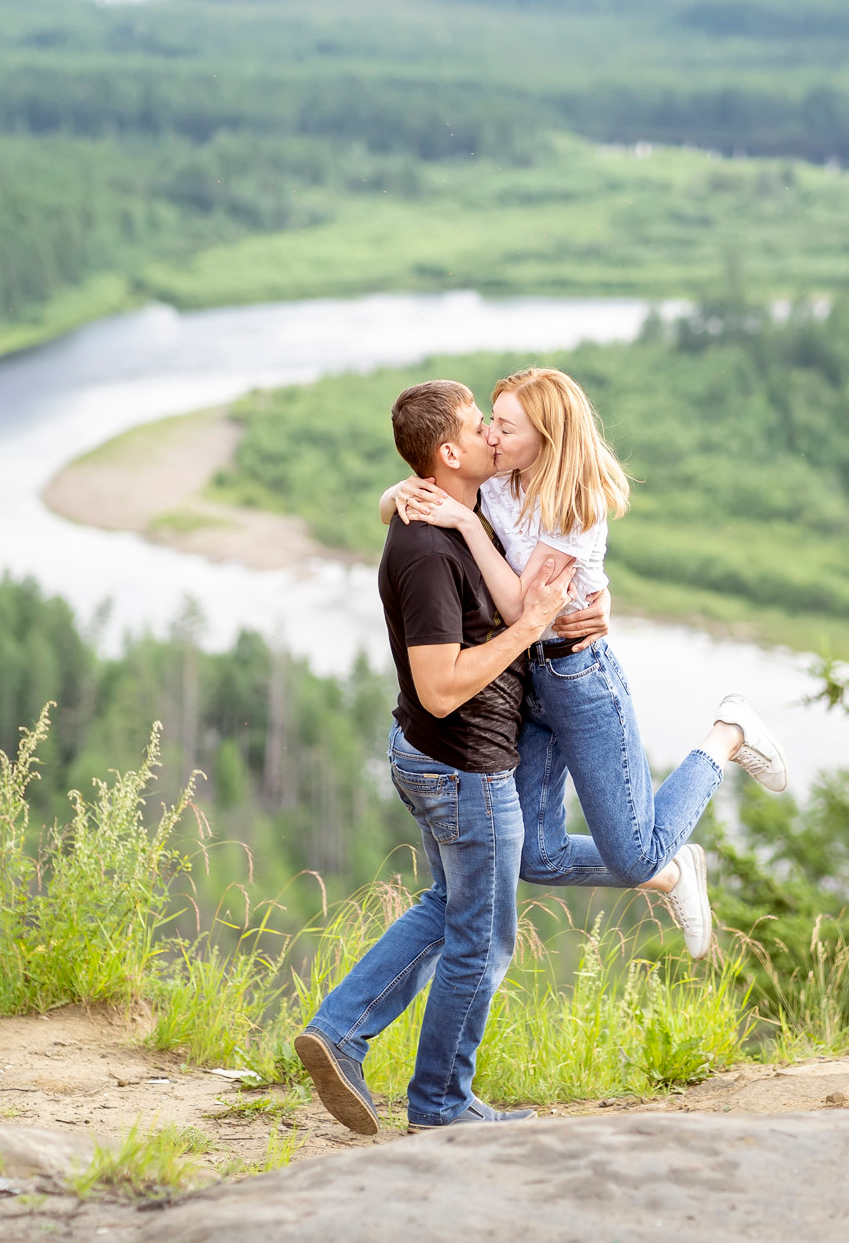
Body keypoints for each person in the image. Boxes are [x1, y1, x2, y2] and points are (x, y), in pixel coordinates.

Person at [379, 367, 788, 959]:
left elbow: (527, 607)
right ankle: (677, 871)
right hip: (523, 680)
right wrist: (395, 495)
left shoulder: (575, 503)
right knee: (532, 857)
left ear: (545, 436)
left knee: (635, 855)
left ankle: (728, 735)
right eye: (489, 421)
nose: (491, 435)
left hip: (576, 676)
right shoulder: (499, 478)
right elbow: (417, 490)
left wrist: (466, 523)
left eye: (505, 426)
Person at [295, 379, 579, 1135]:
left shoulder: (457, 507)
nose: (494, 432)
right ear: (449, 453)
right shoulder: (424, 550)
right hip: (463, 766)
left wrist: (401, 491)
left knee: (449, 909)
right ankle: (442, 1105)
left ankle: (341, 1031)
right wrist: (530, 630)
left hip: (443, 761)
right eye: (478, 426)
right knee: (481, 940)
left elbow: (421, 500)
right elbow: (441, 687)